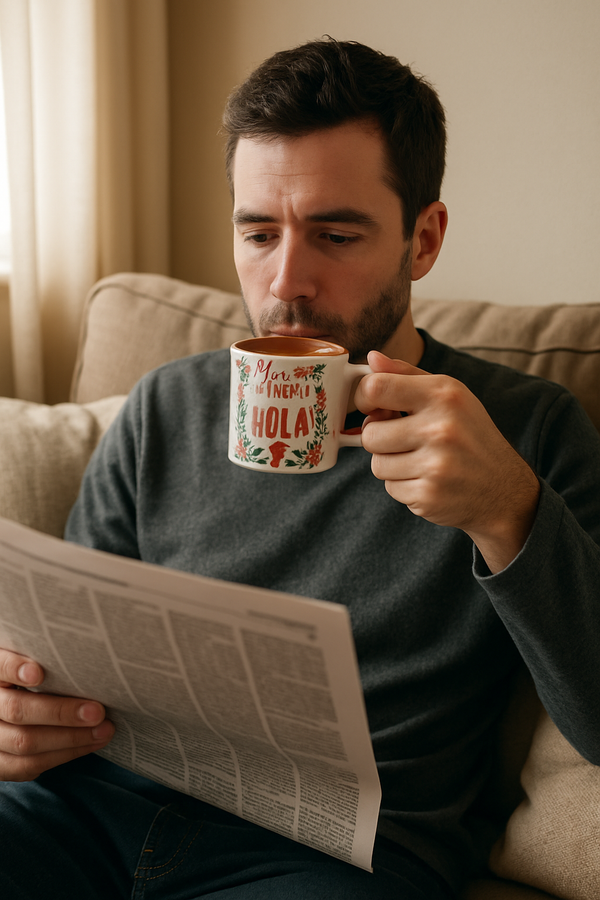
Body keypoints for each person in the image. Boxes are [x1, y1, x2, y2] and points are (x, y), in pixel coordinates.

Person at [1, 37, 600, 900]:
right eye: (258, 232)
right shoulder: (164, 407)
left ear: (422, 239)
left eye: (335, 233)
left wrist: (509, 512)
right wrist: (22, 714)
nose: (286, 282)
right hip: (88, 815)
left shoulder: (526, 433)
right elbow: (69, 652)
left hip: (324, 862)